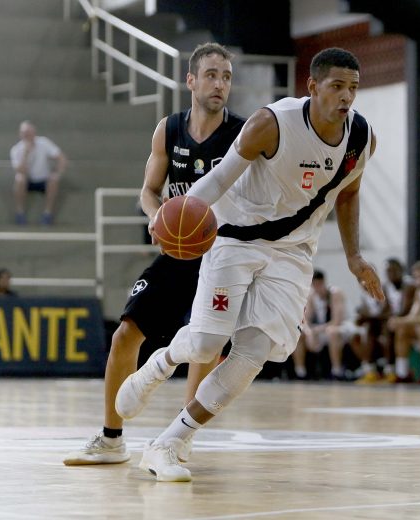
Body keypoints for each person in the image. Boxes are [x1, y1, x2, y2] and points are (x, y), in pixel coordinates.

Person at [115, 47, 383, 482]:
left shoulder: (361, 138)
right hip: (235, 237)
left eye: (353, 88)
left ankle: (170, 442)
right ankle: (159, 365)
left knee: (254, 353)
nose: (346, 97)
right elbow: (219, 178)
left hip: (293, 251)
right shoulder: (270, 124)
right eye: (337, 86)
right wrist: (177, 217)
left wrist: (354, 256)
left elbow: (349, 193)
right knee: (206, 344)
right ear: (312, 87)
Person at [63, 43, 245, 466]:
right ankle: (111, 440)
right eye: (212, 75)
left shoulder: (242, 133)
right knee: (125, 334)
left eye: (226, 77)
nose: (220, 84)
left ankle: (179, 438)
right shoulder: (169, 129)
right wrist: (156, 216)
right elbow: (149, 191)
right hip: (180, 251)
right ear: (191, 80)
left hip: (223, 254)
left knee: (204, 346)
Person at [292, 270, 358, 380]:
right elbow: (305, 320)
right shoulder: (312, 296)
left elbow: (336, 321)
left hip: (344, 326)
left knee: (332, 332)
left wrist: (316, 330)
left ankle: (337, 371)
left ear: (323, 282)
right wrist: (309, 333)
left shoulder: (335, 293)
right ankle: (300, 373)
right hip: (324, 328)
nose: (317, 288)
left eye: (319, 284)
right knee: (299, 334)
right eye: (314, 285)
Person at [354, 258, 409, 384]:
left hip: (395, 321)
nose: (364, 281)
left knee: (384, 329)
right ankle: (370, 370)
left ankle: (390, 371)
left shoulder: (390, 287)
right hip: (382, 322)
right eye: (361, 279)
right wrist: (363, 317)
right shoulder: (364, 296)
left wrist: (365, 317)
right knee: (359, 335)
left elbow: (388, 311)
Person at [10, 120, 66, 225]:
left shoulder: (44, 142)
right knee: (19, 178)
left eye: (30, 132)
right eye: (25, 133)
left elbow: (61, 158)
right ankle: (20, 213)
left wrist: (58, 173)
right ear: (20, 135)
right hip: (27, 181)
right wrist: (26, 154)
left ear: (34, 132)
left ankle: (47, 213)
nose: (28, 135)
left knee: (54, 180)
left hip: (44, 180)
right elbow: (20, 170)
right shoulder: (16, 149)